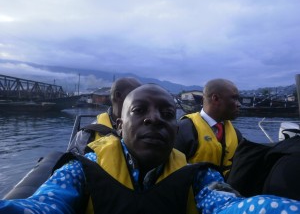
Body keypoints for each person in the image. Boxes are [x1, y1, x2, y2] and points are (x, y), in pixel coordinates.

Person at [1, 84, 299, 214]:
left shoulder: (198, 178)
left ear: (174, 128)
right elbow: (46, 204)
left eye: (167, 114)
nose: (154, 119)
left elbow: (229, 208)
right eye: (139, 110)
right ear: (119, 126)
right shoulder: (81, 170)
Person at [174, 78, 243, 178]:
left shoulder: (236, 134)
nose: (239, 104)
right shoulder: (184, 129)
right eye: (234, 98)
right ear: (215, 98)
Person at [67, 77, 142, 154]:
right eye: (135, 94)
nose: (142, 99)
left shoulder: (147, 128)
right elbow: (72, 160)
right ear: (118, 95)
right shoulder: (88, 134)